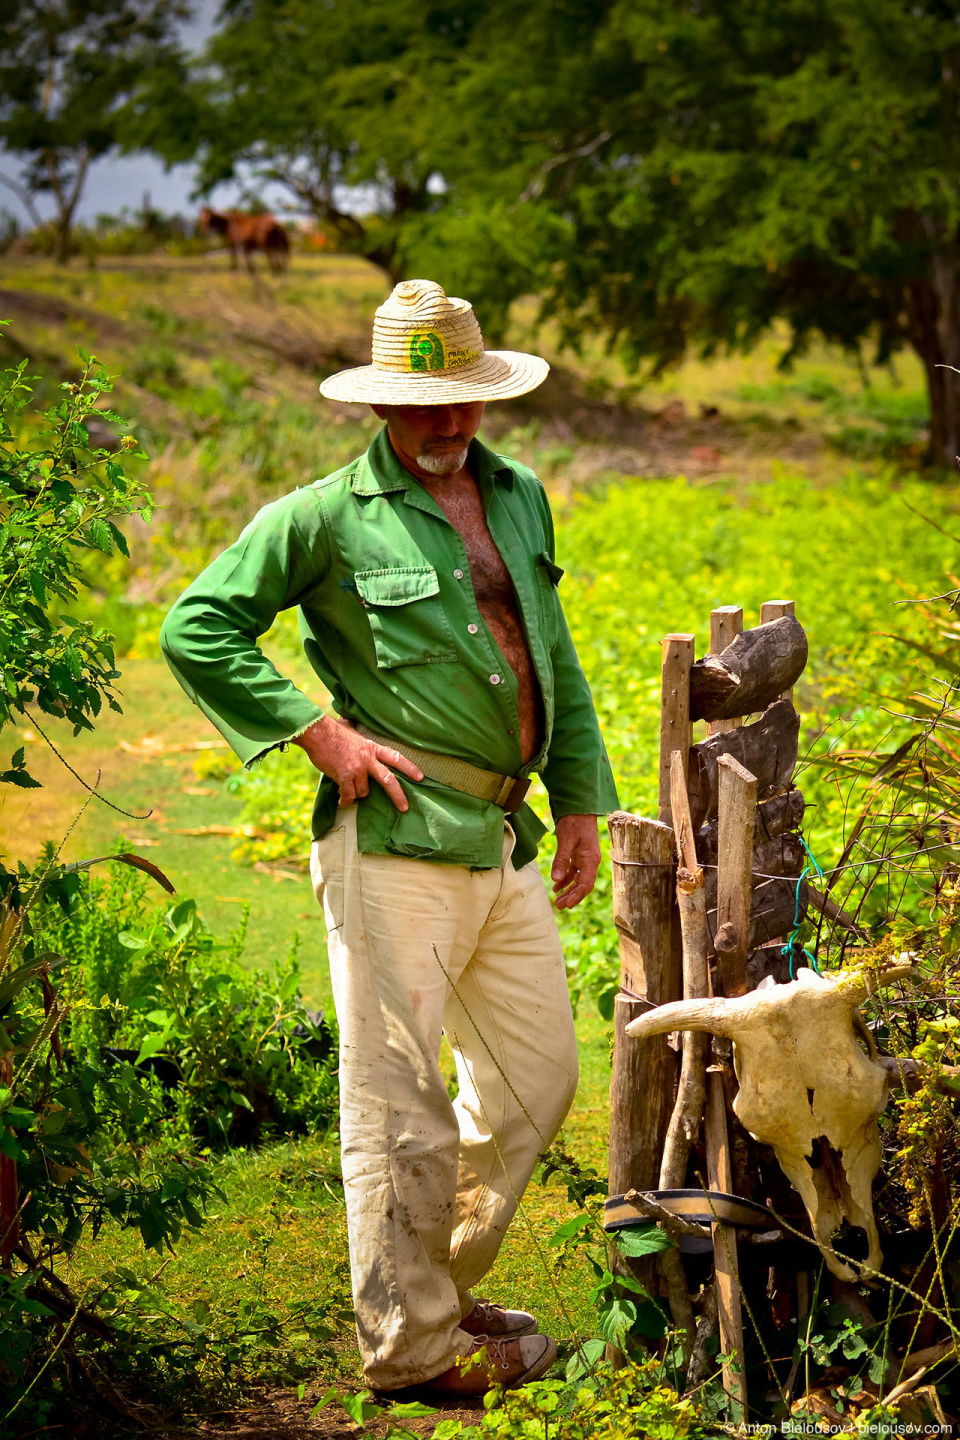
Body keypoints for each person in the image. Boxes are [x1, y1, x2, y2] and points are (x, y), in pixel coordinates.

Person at [159, 279, 619, 1399]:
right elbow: (195, 625)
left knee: (534, 1083)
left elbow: (546, 649)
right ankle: (410, 1350)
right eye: (421, 406)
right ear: (378, 403)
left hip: (502, 833)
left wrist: (580, 800)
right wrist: (318, 733)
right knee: (396, 1098)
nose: (445, 425)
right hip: (396, 843)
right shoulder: (321, 517)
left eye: (460, 401)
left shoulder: (518, 495)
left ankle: (437, 1285)